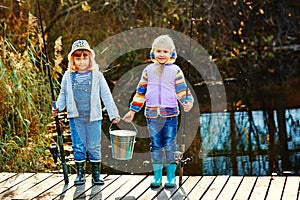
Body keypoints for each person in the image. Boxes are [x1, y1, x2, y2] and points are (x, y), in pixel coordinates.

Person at [123, 35, 194, 188]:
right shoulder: (148, 70)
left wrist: (188, 102)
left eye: (165, 51)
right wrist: (133, 111)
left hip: (170, 115)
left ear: (172, 53)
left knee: (170, 145)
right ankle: (157, 177)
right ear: (153, 52)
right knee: (155, 145)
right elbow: (140, 93)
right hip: (152, 115)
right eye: (159, 51)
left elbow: (182, 91)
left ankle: (171, 178)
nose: (162, 54)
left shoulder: (176, 70)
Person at [52, 40, 120, 185]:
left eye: (84, 57)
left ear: (90, 58)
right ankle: (80, 174)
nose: (81, 61)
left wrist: (113, 114)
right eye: (78, 58)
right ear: (73, 59)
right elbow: (63, 94)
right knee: (78, 145)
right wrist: (58, 106)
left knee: (94, 145)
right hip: (75, 118)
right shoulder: (68, 76)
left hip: (94, 118)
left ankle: (96, 174)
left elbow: (106, 95)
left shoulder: (97, 75)